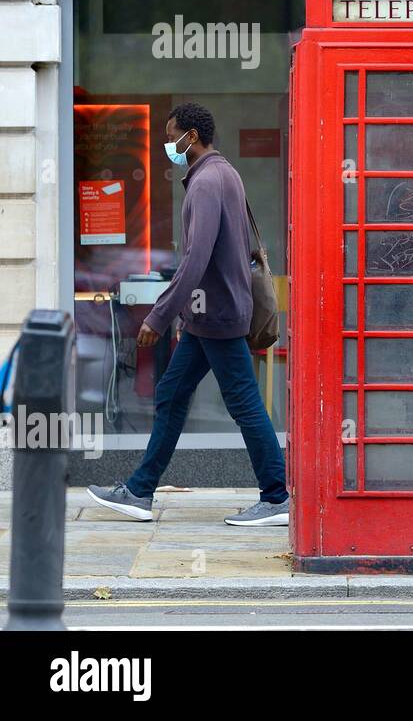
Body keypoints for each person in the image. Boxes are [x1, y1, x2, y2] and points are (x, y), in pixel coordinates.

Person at [87, 103, 290, 526]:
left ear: (191, 136)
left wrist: (159, 317)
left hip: (217, 317)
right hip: (207, 317)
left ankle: (276, 497)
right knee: (172, 395)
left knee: (244, 405)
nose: (169, 145)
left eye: (172, 135)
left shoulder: (205, 183)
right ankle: (140, 490)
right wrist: (183, 317)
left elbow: (196, 259)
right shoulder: (224, 173)